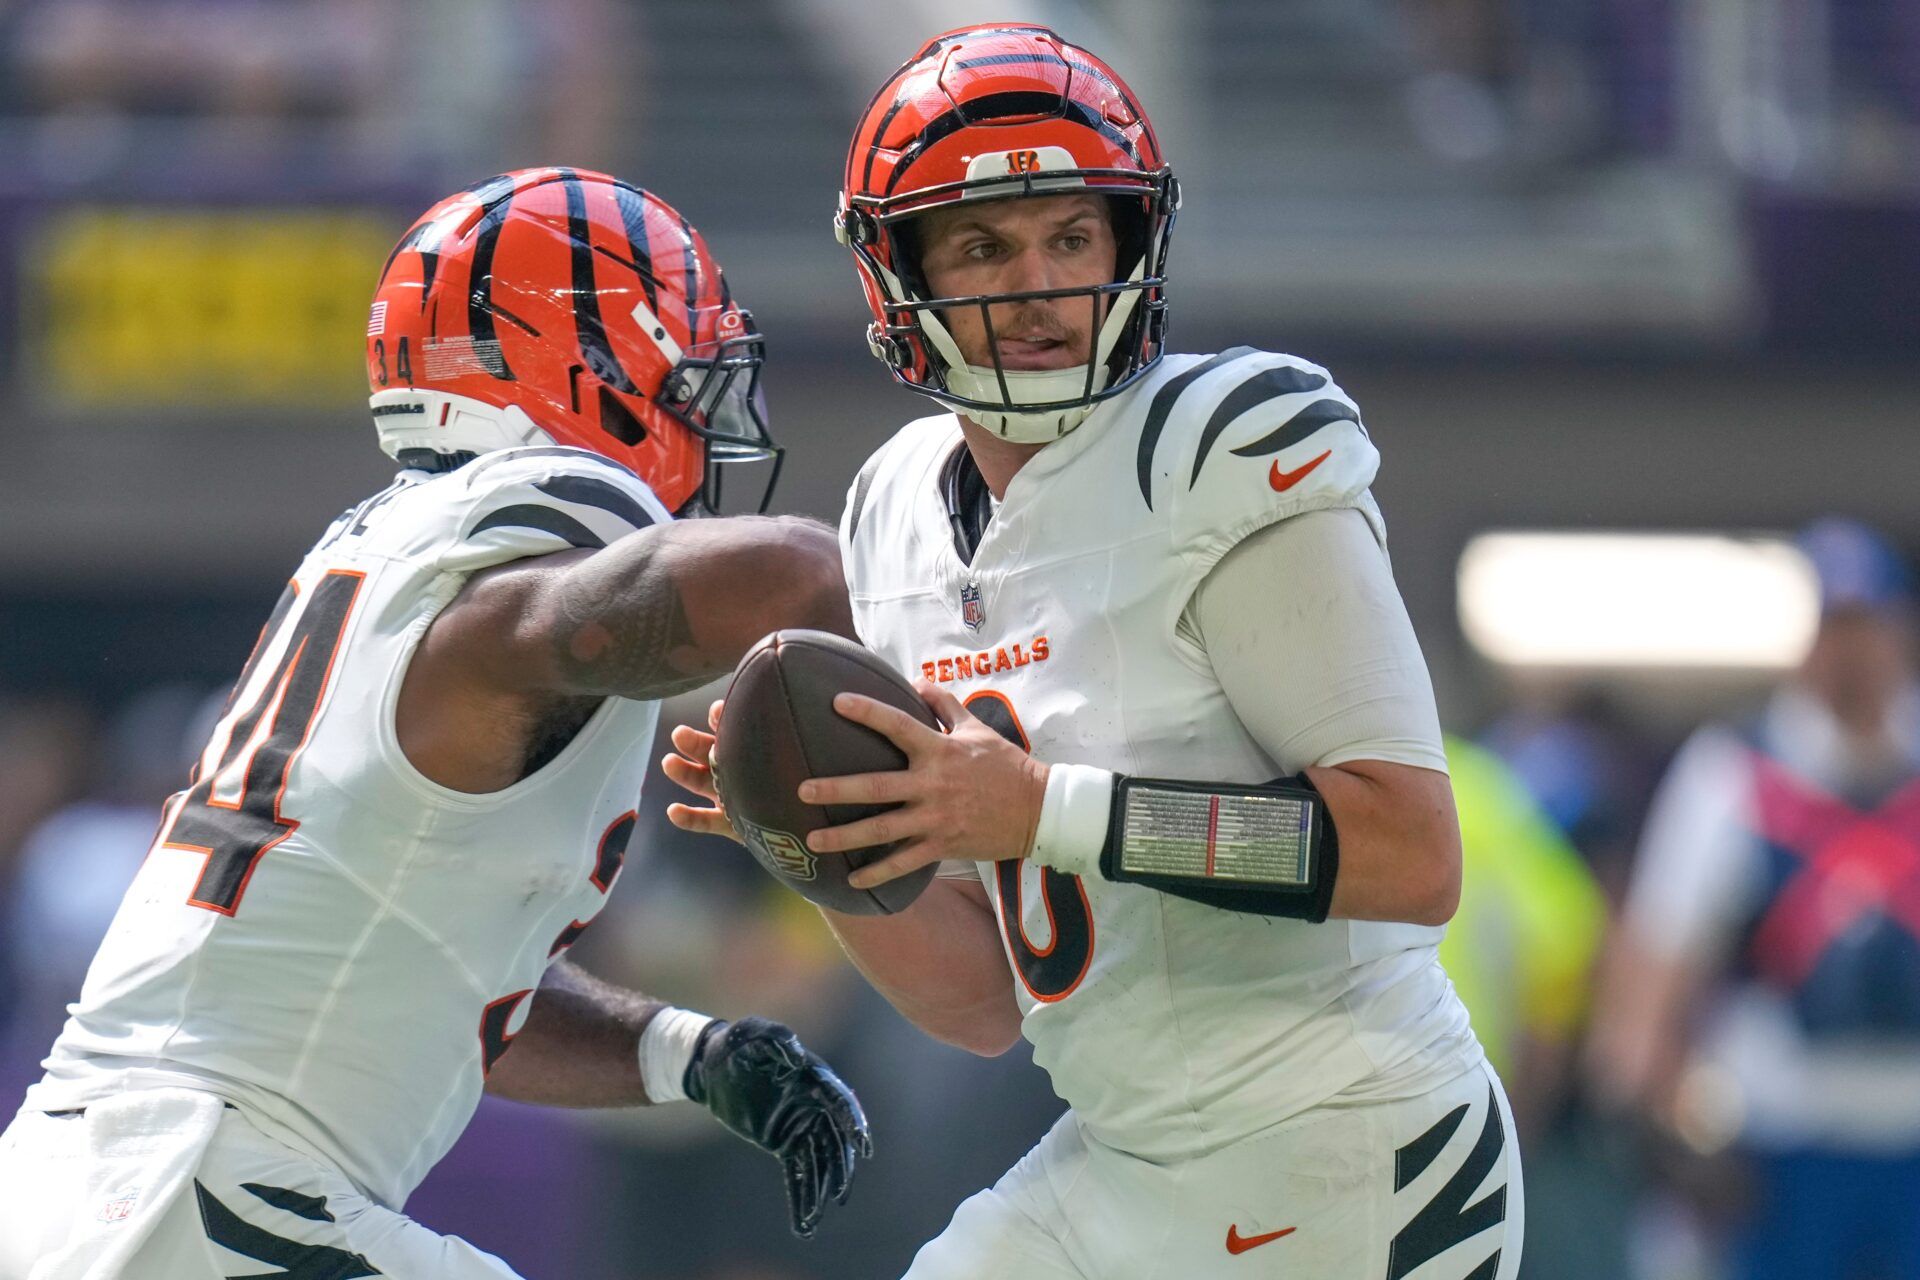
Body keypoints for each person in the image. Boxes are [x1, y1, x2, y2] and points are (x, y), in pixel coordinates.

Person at [666, 25, 1520, 1280]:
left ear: (1129, 247)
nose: (1038, 285)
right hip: (1129, 1152)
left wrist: (1044, 808)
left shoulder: (1223, 447)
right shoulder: (895, 511)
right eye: (983, 245)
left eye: (1072, 237)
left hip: (1346, 1145)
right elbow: (981, 1003)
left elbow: (1409, 850)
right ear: (900, 274)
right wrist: (829, 851)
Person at [0, 168, 869, 1280]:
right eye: (686, 378)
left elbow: (451, 983)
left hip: (106, 1181)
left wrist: (688, 1051)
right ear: (590, 369)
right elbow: (774, 575)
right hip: (200, 1190)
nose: (705, 420)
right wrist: (944, 609)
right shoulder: (513, 574)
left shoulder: (393, 556)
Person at [1587, 519, 1920, 1280]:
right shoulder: (1735, 774)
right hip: (1785, 1145)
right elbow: (1656, 970)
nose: (1851, 655)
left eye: (1867, 627)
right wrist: (1663, 1128)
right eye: (1833, 629)